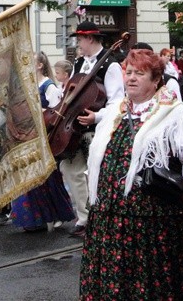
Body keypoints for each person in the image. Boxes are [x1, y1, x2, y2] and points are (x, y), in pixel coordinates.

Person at [80, 49, 183, 300]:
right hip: (109, 222)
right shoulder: (115, 112)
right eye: (128, 72)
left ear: (156, 81)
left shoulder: (175, 113)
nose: (131, 78)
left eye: (139, 73)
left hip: (153, 224)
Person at [62, 21, 124, 238]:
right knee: (70, 169)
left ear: (89, 39)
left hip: (97, 128)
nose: (78, 44)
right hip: (75, 128)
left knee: (94, 173)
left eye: (79, 40)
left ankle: (99, 217)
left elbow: (117, 102)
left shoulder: (111, 65)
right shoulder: (79, 63)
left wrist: (96, 117)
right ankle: (83, 215)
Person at [9, 52, 75, 232]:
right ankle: (33, 219)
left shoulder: (49, 86)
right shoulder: (29, 84)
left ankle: (54, 214)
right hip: (28, 135)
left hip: (42, 136)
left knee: (47, 180)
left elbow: (56, 113)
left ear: (39, 65)